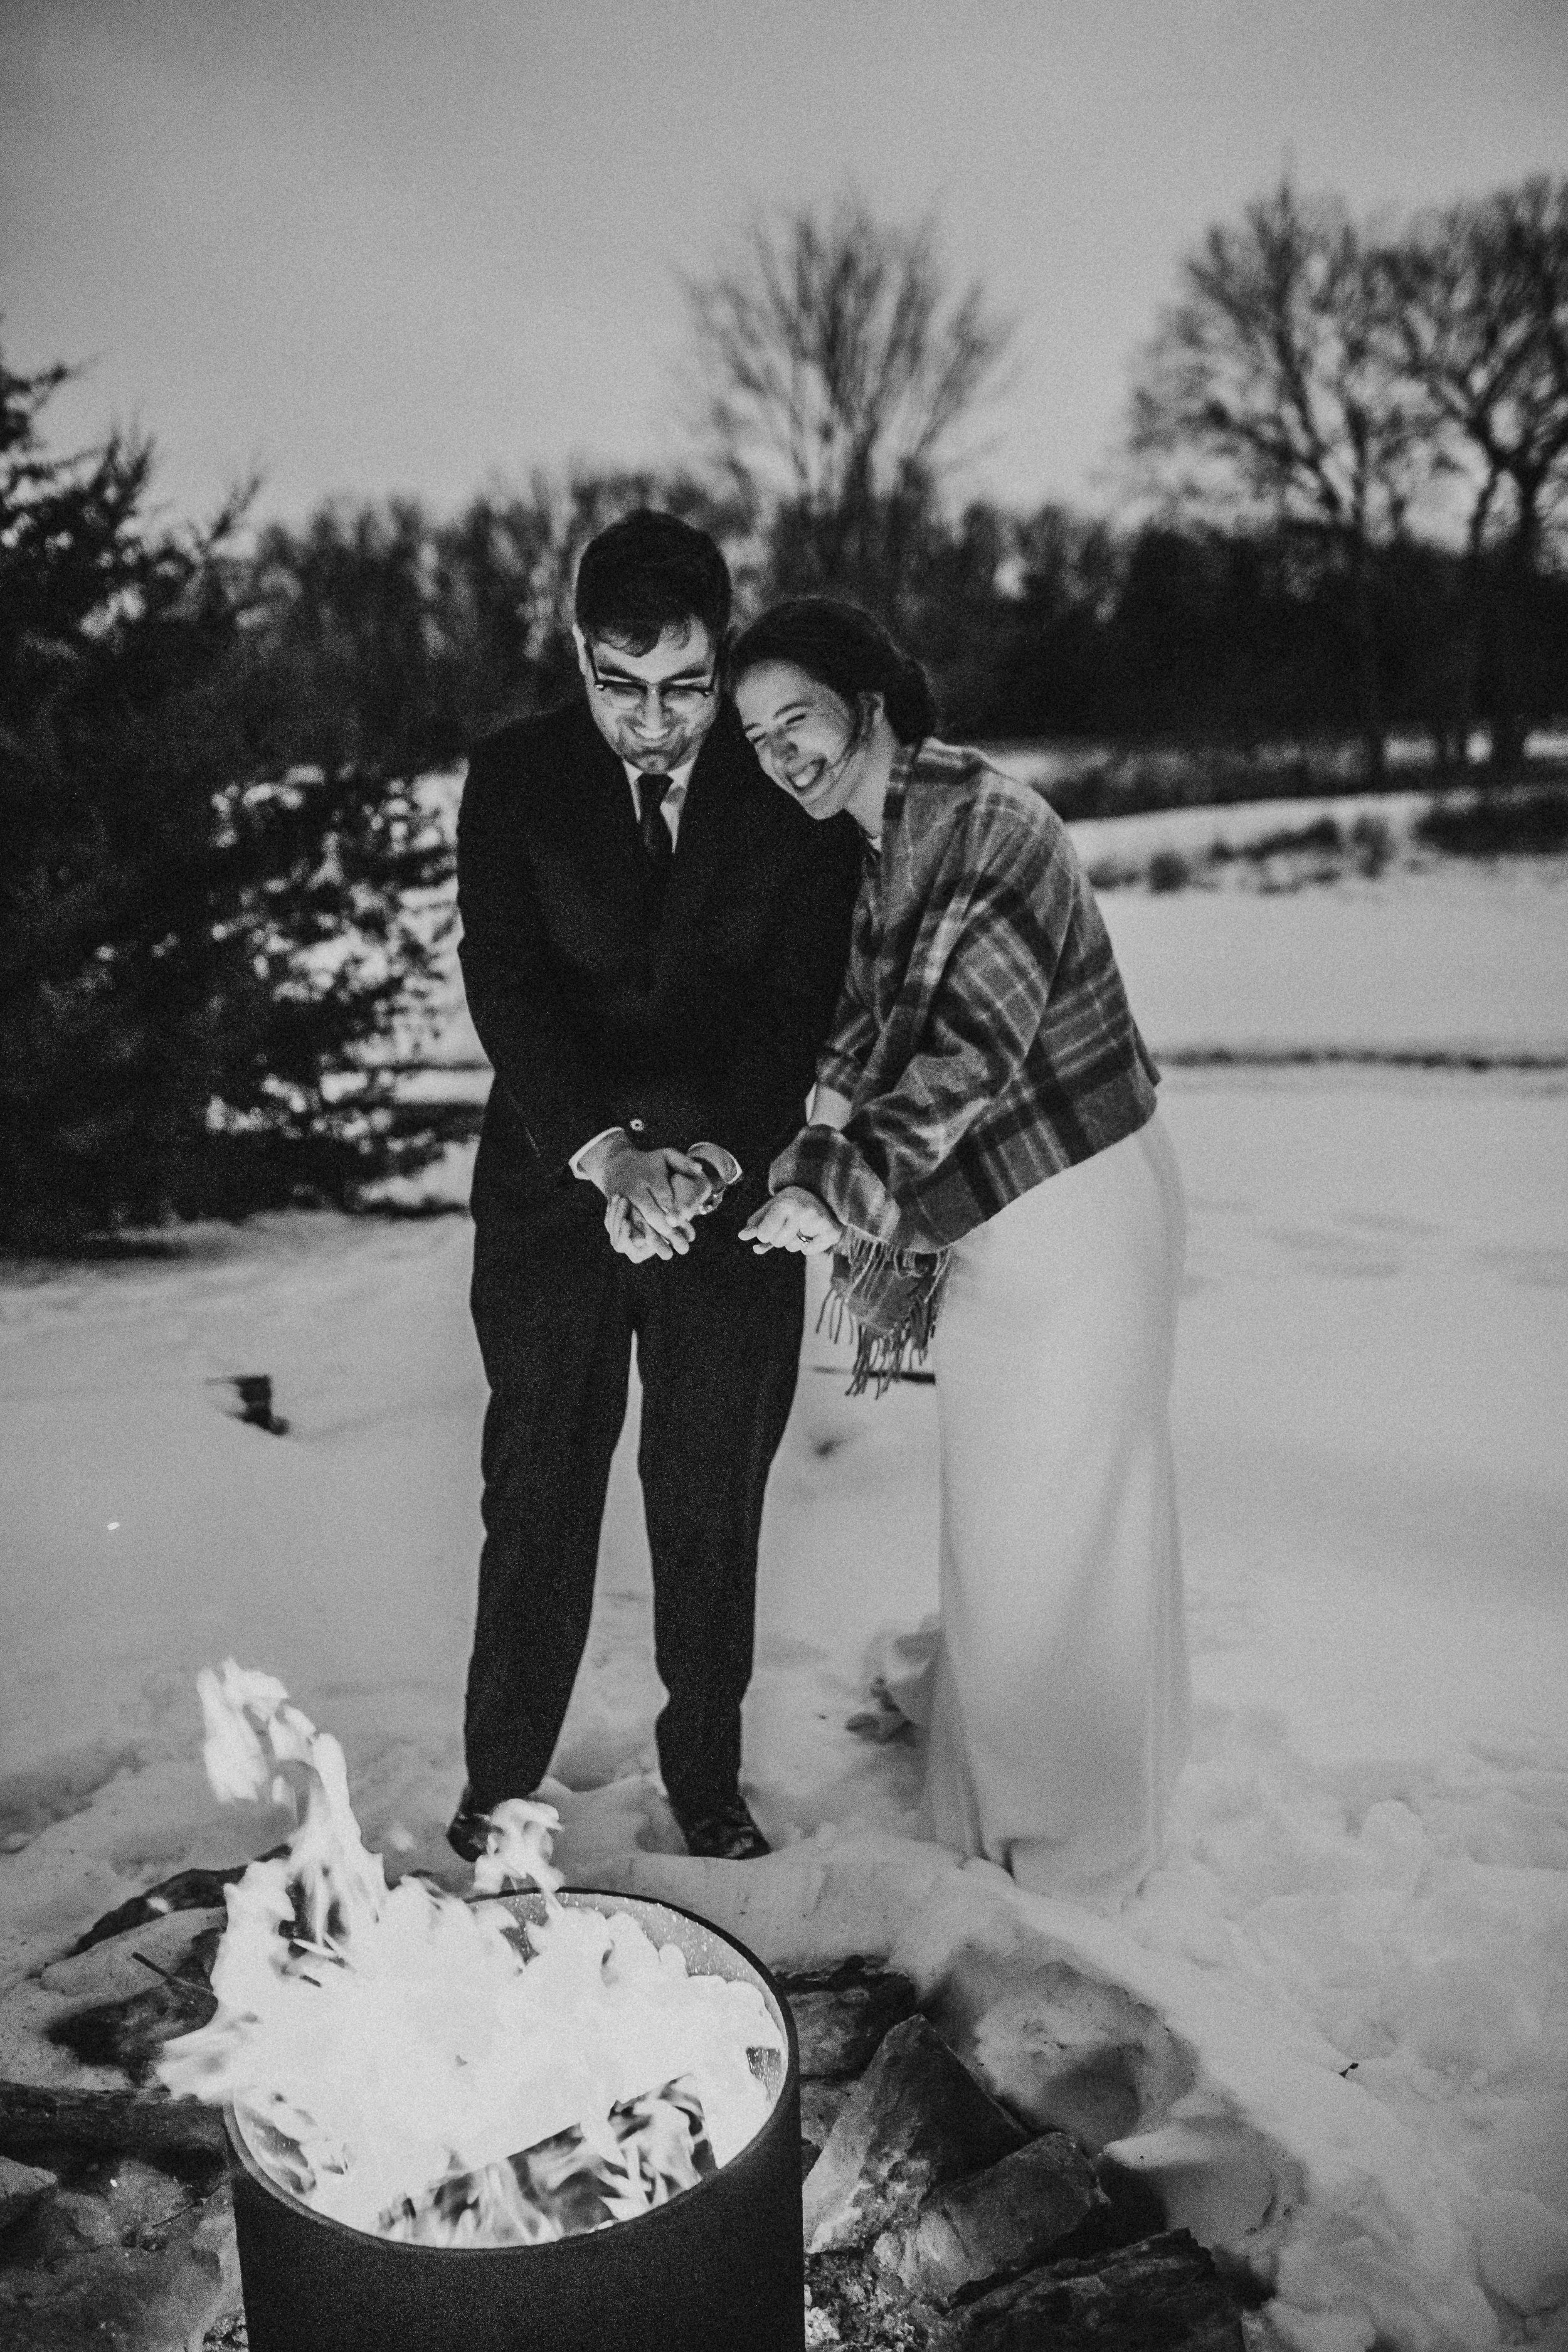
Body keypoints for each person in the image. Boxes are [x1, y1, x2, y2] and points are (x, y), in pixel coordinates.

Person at [730, 597, 1190, 1909]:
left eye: (796, 719)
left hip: (1072, 1210)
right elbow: (864, 1026)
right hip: (1007, 1213)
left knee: (1058, 1531)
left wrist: (836, 1184)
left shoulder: (981, 824)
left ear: (866, 703)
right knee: (1018, 1524)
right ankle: (1026, 1773)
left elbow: (957, 1061)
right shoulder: (889, 838)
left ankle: (1069, 1858)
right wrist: (785, 1133)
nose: (780, 753)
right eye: (757, 736)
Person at [451, 516, 861, 1864]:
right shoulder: (513, 777)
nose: (651, 723)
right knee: (537, 1494)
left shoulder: (782, 783)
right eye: (617, 687)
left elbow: (798, 998)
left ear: (721, 658)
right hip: (550, 1199)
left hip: (730, 1203)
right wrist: (606, 1155)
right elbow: (505, 983)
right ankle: (498, 1783)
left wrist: (709, 1156)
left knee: (707, 1498)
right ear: (574, 654)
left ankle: (707, 1781)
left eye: (684, 687)